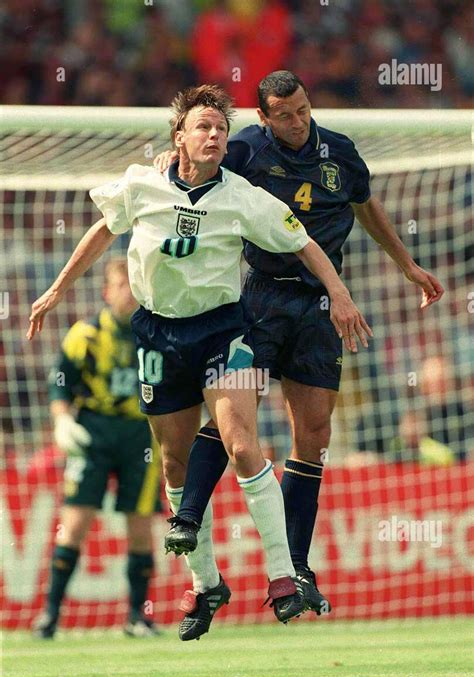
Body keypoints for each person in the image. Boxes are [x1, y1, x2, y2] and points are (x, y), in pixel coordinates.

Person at [28, 84, 371, 641]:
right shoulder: (142, 183)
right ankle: (206, 583)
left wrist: (341, 294)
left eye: (221, 128)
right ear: (179, 137)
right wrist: (57, 290)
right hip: (159, 335)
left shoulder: (241, 195)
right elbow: (101, 229)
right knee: (175, 465)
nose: (214, 136)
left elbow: (303, 241)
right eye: (203, 127)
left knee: (240, 443)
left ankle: (284, 575)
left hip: (222, 329)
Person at [155, 70, 444, 616]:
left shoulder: (339, 151)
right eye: (284, 115)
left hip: (320, 301)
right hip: (258, 297)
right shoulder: (243, 148)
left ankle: (295, 568)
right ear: (263, 117)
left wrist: (406, 264)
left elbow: (365, 203)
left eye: (304, 111)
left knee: (312, 433)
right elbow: (193, 166)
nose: (297, 123)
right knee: (233, 420)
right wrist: (165, 167)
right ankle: (189, 517)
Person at [32, 259, 162, 639]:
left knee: (140, 525)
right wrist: (62, 420)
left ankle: (138, 616)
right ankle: (50, 615)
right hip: (94, 431)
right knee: (74, 523)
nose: (129, 294)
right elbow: (60, 383)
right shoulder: (84, 335)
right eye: (121, 285)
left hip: (140, 434)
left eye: (134, 286)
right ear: (107, 291)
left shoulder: (153, 334)